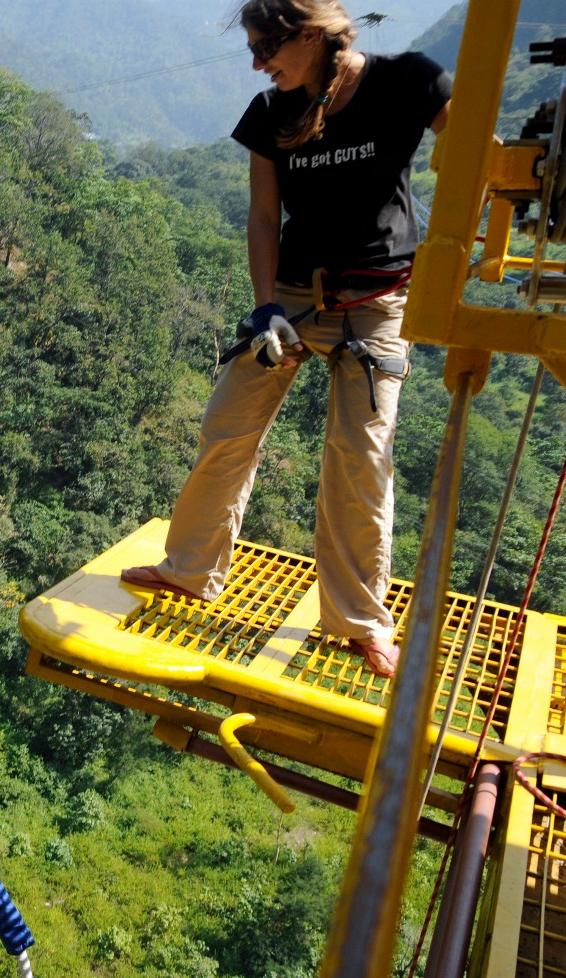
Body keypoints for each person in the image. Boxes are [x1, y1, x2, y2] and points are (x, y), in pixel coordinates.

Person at [121, 0, 451, 678]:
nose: (256, 62)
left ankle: (359, 621)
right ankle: (190, 569)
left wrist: (459, 243)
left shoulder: (406, 82)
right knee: (228, 425)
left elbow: (478, 154)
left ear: (308, 34)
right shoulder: (272, 112)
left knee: (360, 460)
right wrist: (264, 304)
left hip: (376, 301)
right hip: (296, 296)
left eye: (264, 46)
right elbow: (265, 213)